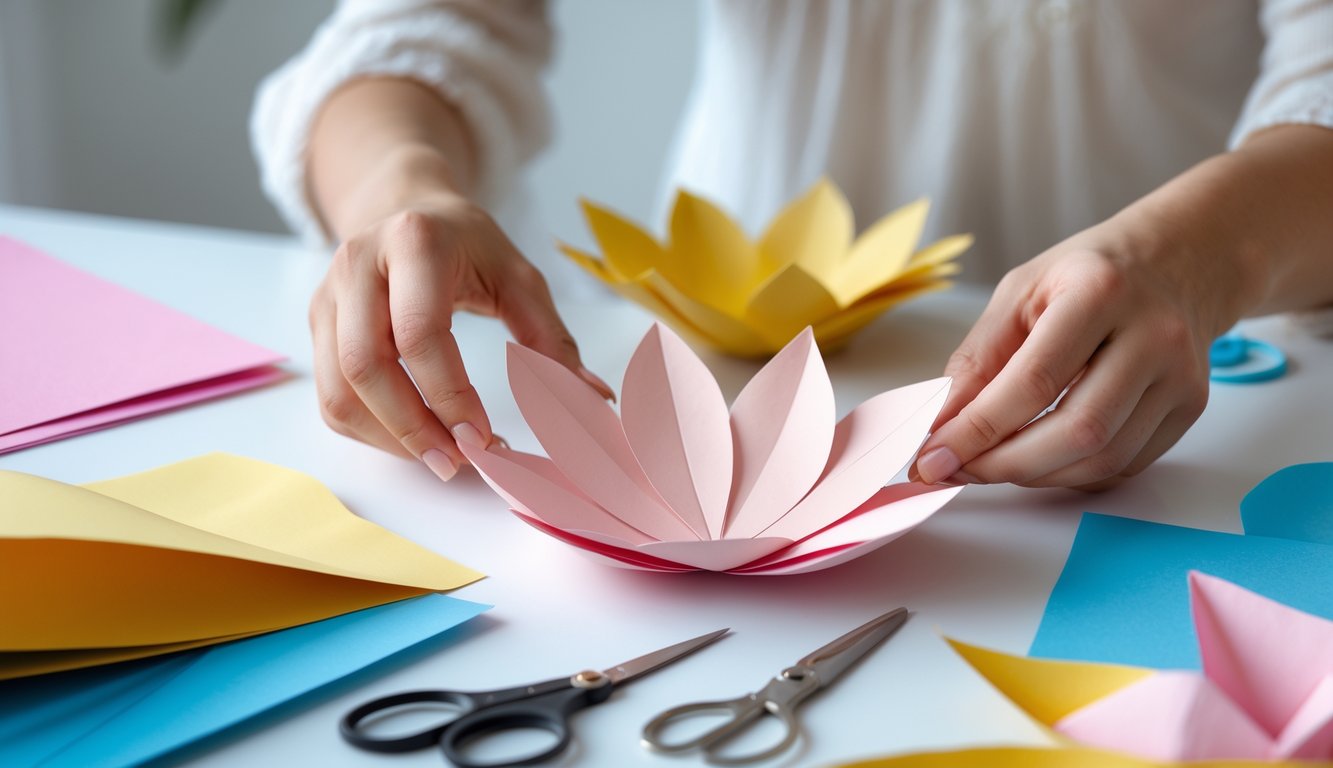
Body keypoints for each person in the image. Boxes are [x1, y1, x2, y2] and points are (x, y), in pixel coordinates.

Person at [252, 0, 1333, 490]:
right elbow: (428, 22)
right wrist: (398, 190)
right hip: (712, 378)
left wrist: (1200, 259)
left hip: (1184, 401)